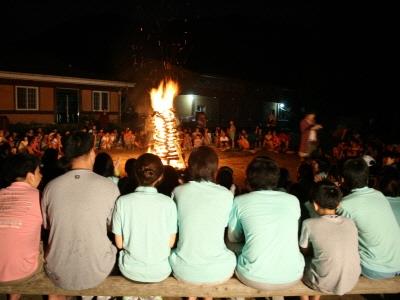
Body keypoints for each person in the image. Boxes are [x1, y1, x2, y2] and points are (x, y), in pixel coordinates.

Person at [41, 131, 120, 294]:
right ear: (92, 153)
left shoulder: (50, 187)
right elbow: (113, 227)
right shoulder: (109, 187)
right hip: (97, 269)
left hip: (57, 269)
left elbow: (47, 225)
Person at [228, 156, 305, 290]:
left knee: (229, 244)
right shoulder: (292, 200)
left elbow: (233, 238)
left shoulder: (240, 201)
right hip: (292, 274)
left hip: (252, 276)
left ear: (248, 181)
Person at [169, 146, 236, 300]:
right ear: (215, 169)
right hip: (218, 270)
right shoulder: (226, 195)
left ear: (190, 167)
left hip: (184, 269)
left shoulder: (178, 191)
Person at [112, 153, 177, 298]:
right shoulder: (168, 204)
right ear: (160, 177)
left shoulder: (122, 202)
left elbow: (119, 244)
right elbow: (171, 242)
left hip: (130, 269)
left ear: (135, 174)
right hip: (159, 270)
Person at [337, 158, 400, 279]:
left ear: (342, 180)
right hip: (397, 264)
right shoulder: (379, 195)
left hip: (374, 268)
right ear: (367, 178)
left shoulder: (345, 205)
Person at [299, 181, 360, 300]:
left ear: (315, 205)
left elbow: (304, 250)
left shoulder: (309, 223)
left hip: (323, 283)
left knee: (299, 265)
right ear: (338, 205)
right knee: (323, 260)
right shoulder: (350, 222)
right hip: (351, 281)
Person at [0, 153, 43, 300]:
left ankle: (14, 296)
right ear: (30, 176)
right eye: (38, 172)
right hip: (23, 272)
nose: (41, 176)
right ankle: (56, 295)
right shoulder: (39, 196)